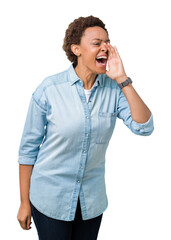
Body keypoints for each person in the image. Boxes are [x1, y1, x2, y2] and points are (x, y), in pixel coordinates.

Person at [17, 15, 154, 240]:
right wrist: (24, 203)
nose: (105, 48)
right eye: (97, 43)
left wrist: (122, 78)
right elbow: (27, 150)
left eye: (107, 42)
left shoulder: (114, 89)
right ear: (76, 49)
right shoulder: (49, 89)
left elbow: (145, 127)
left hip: (91, 202)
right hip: (50, 199)